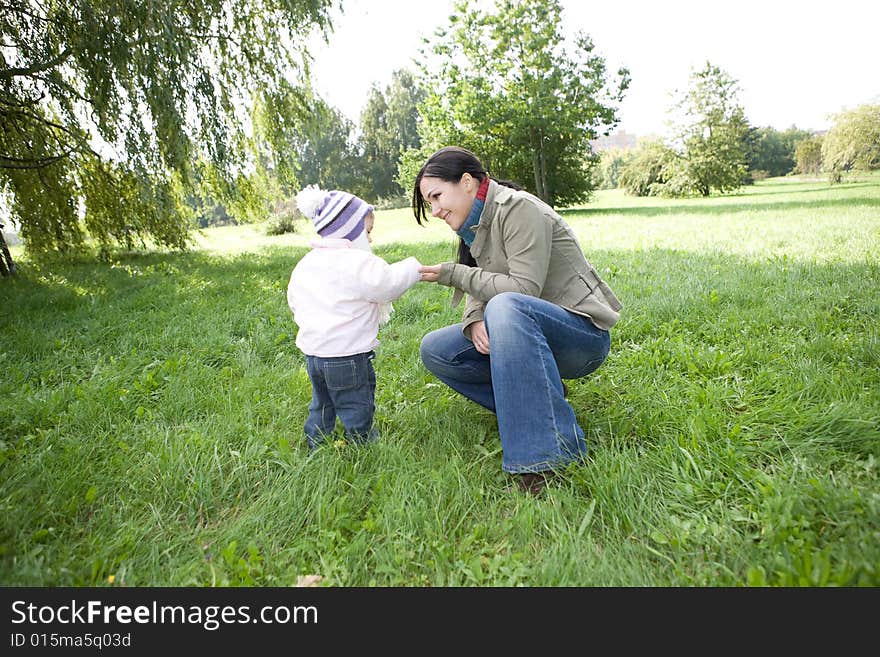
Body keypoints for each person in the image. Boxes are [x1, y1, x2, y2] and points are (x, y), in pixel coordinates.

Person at [412, 146, 622, 494]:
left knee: (507, 305)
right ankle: (540, 398)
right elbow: (489, 277)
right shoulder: (478, 220)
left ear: (466, 182)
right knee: (437, 349)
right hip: (526, 328)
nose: (434, 211)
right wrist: (474, 319)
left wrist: (454, 274)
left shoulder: (518, 208)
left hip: (582, 336)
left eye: (436, 196)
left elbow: (522, 288)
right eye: (429, 202)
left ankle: (547, 458)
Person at [288, 185, 421, 449]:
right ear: (351, 230)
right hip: (347, 355)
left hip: (314, 355)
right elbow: (387, 284)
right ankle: (360, 441)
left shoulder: (306, 264)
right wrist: (413, 267)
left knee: (321, 402)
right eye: (367, 232)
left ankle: (317, 440)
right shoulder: (357, 262)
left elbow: (294, 301)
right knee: (356, 400)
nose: (370, 240)